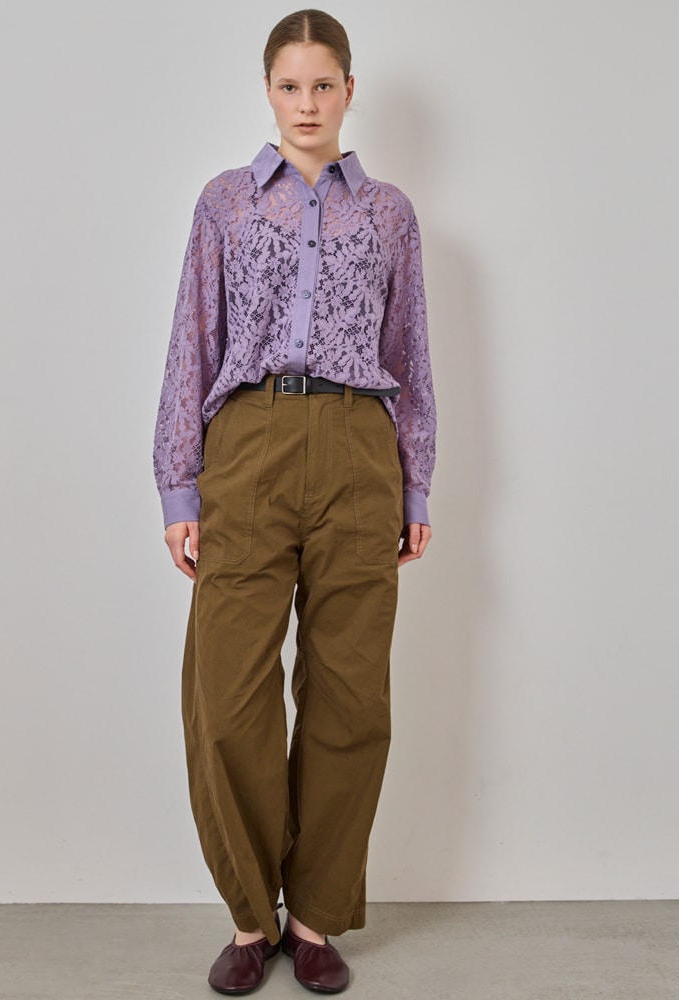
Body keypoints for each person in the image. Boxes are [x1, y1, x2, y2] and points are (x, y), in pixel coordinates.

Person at [153, 9, 436, 994]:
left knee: (351, 692)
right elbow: (193, 338)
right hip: (249, 446)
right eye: (289, 86)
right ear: (267, 91)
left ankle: (313, 918)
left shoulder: (390, 213)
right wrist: (178, 484)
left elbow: (409, 354)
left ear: (349, 91)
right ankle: (249, 915)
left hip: (360, 448)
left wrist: (415, 481)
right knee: (226, 693)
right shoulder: (224, 202)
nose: (306, 104)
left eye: (323, 85)